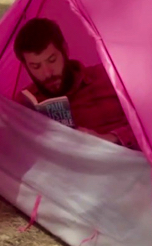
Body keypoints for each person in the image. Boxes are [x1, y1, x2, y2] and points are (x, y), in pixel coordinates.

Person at [12, 17, 140, 150]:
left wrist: (110, 138)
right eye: (36, 67)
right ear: (25, 66)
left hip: (124, 158)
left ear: (65, 50)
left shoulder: (108, 78)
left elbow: (149, 125)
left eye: (52, 60)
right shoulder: (24, 104)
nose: (47, 73)